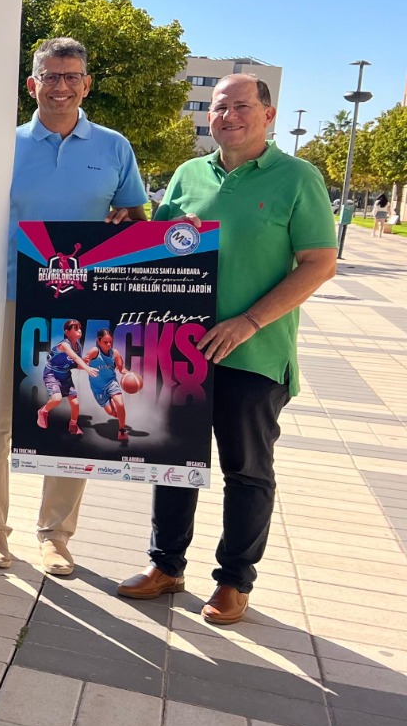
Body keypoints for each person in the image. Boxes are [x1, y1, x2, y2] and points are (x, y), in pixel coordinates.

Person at [117, 74, 336, 625]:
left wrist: (250, 321)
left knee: (247, 471)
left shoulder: (297, 178)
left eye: (242, 106)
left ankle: (235, 582)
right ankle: (166, 565)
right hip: (181, 351)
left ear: (269, 114)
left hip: (254, 355)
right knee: (173, 463)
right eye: (219, 107)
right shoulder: (190, 174)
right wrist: (132, 226)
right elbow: (158, 249)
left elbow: (319, 262)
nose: (229, 116)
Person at [0, 37, 147, 577]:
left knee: (69, 420)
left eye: (71, 76)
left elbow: (133, 214)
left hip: (80, 303)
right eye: (49, 77)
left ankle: (55, 537)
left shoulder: (114, 147)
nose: (60, 86)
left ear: (86, 84)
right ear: (31, 85)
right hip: (8, 297)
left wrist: (127, 224)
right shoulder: (0, 145)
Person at [38, 319, 98, 435]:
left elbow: (75, 364)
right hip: (52, 374)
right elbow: (76, 359)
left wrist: (88, 365)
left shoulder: (78, 347)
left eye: (80, 328)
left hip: (65, 375)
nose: (79, 330)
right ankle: (42, 411)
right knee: (57, 399)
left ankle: (73, 426)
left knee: (75, 404)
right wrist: (87, 368)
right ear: (67, 332)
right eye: (76, 328)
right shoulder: (64, 345)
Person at [84, 328, 131, 443]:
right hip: (98, 388)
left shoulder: (114, 353)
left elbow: (121, 368)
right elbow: (83, 362)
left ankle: (122, 430)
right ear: (98, 341)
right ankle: (118, 415)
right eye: (105, 342)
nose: (109, 344)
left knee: (120, 403)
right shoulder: (94, 351)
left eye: (111, 342)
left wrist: (128, 373)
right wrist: (87, 367)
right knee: (111, 413)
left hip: (111, 383)